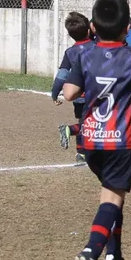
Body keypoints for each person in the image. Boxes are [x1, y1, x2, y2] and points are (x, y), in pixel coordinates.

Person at [62, 0, 131, 260]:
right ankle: (92, 251)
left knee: (112, 198)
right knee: (112, 200)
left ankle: (114, 257)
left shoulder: (84, 56)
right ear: (127, 26)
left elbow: (69, 93)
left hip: (90, 141)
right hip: (119, 141)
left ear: (92, 26)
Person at [52, 11, 95, 163]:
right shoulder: (96, 47)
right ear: (89, 30)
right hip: (94, 95)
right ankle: (70, 130)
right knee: (92, 124)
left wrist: (55, 92)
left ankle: (81, 154)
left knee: (83, 122)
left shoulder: (70, 52)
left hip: (77, 96)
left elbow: (62, 74)